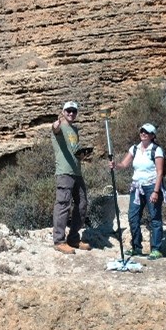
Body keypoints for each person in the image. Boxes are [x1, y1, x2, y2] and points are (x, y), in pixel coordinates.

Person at [113, 122, 166, 258]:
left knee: (154, 218)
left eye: (146, 132)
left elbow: (160, 172)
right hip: (136, 187)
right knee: (133, 217)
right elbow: (124, 164)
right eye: (142, 131)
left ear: (152, 135)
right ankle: (136, 246)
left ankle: (156, 249)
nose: (143, 133)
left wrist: (155, 191)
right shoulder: (134, 149)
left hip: (151, 187)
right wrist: (115, 165)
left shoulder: (156, 150)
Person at [51, 100, 91, 254]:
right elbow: (55, 130)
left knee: (82, 204)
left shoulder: (74, 129)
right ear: (63, 112)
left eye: (74, 111)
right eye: (68, 110)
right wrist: (56, 125)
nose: (71, 113)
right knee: (63, 205)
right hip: (64, 172)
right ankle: (59, 241)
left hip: (77, 172)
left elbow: (74, 150)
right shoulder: (60, 126)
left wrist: (82, 154)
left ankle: (73, 238)